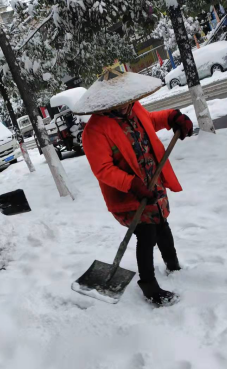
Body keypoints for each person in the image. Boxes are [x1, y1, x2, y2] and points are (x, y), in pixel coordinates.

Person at [75, 68, 194, 306]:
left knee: (162, 224)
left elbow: (149, 121)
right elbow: (103, 169)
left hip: (153, 181)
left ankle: (173, 265)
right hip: (129, 194)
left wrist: (171, 117)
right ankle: (149, 287)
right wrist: (132, 184)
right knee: (146, 234)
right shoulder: (94, 131)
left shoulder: (134, 107)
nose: (125, 103)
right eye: (119, 100)